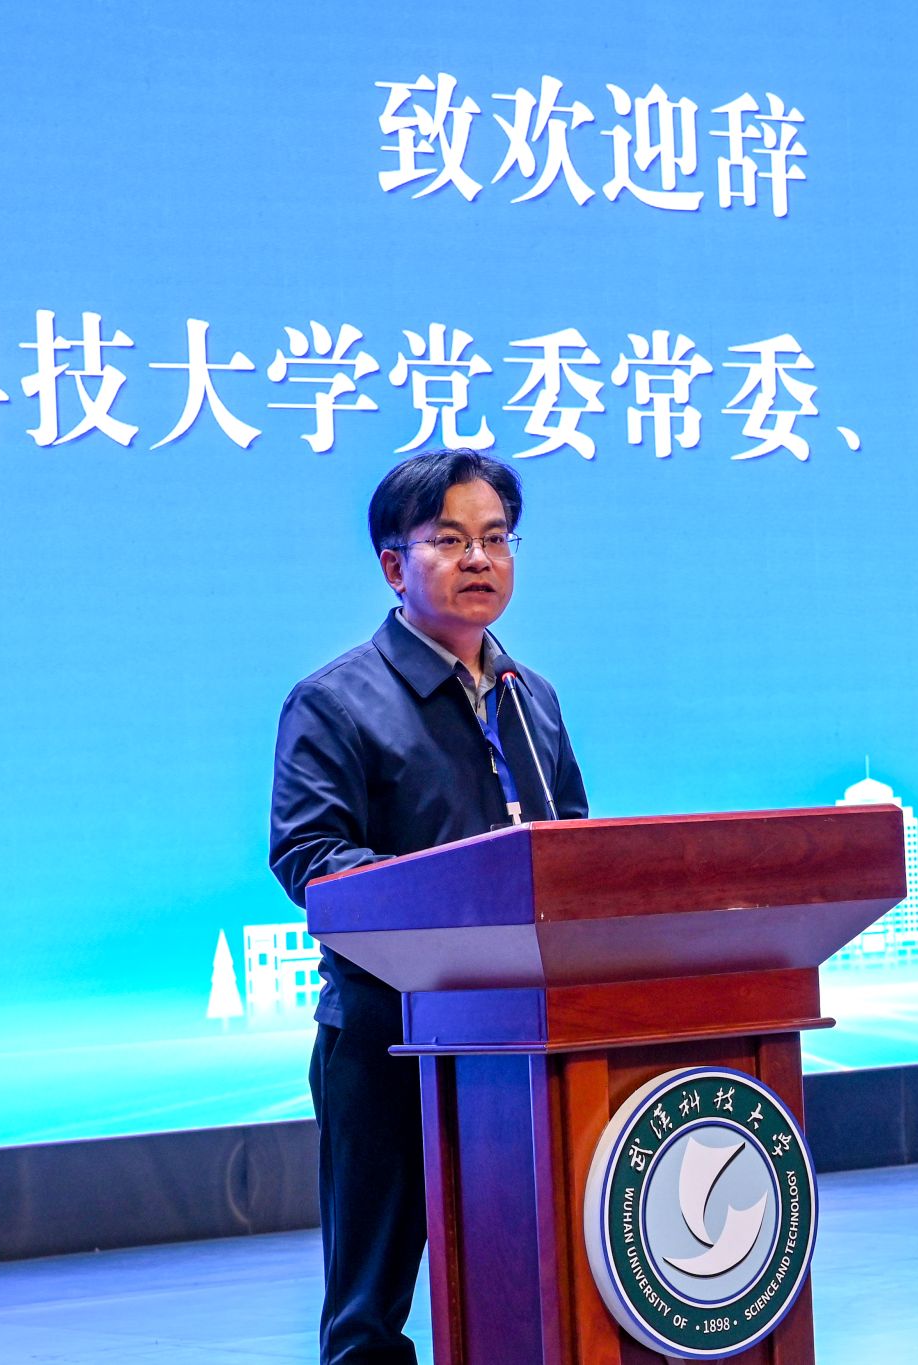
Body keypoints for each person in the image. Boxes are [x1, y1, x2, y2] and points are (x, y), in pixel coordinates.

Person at [269, 449, 588, 1365]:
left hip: (525, 1039)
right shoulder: (335, 702)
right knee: (370, 1313)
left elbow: (572, 847)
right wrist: (462, 891)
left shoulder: (533, 699)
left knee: (535, 1281)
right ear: (393, 566)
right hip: (390, 1035)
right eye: (449, 540)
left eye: (496, 538)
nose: (479, 558)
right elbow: (311, 857)